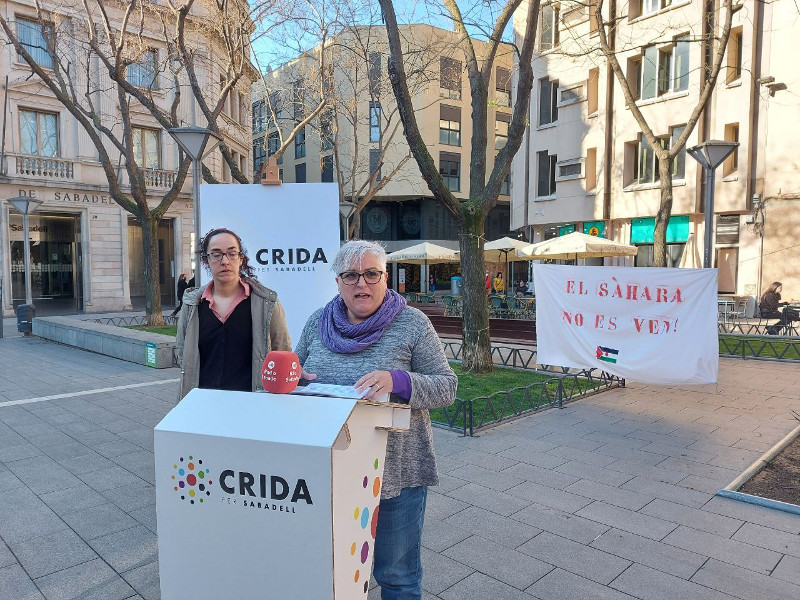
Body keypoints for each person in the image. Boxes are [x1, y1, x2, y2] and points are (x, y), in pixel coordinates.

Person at [295, 240, 457, 599]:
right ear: (338, 281)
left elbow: (447, 387)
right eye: (351, 275)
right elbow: (297, 372)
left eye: (371, 274)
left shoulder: (412, 324)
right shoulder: (317, 322)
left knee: (396, 576)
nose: (361, 284)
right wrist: (292, 381)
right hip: (327, 471)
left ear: (386, 278)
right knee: (332, 571)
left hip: (394, 473)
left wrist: (398, 381)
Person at [175, 227, 292, 400]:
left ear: (241, 258)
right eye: (216, 254)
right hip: (202, 404)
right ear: (206, 260)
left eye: (232, 253)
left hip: (252, 405)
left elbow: (282, 351)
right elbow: (183, 351)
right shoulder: (193, 303)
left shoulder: (266, 303)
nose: (224, 261)